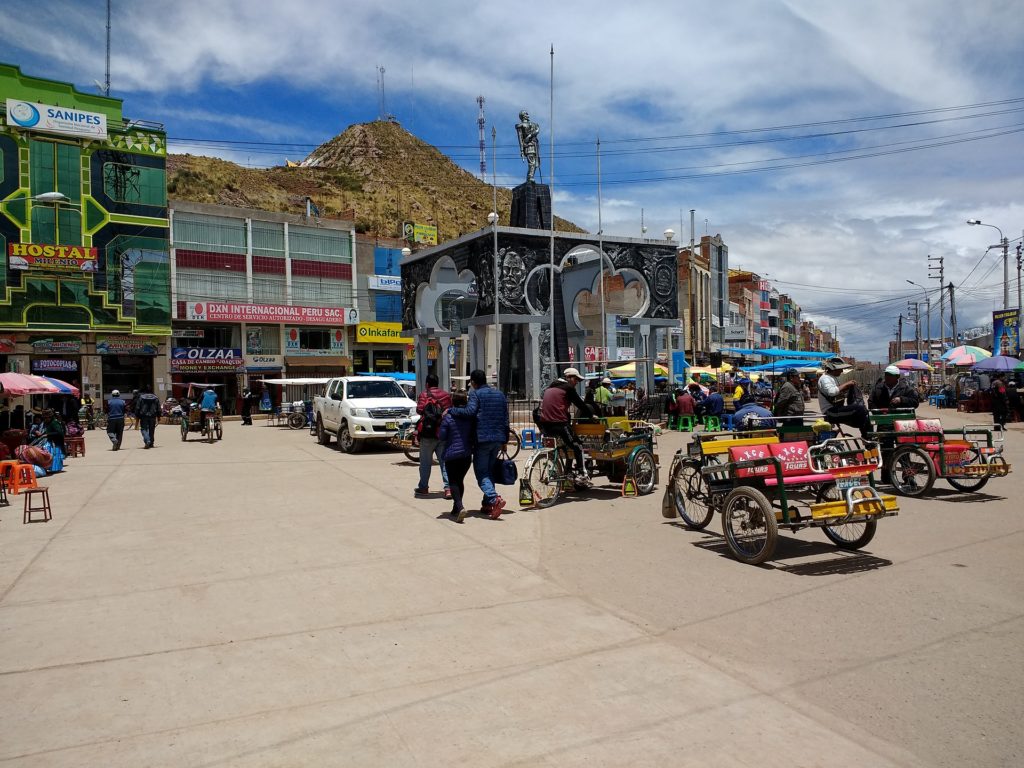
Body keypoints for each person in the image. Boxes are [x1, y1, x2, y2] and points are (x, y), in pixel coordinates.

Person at [447, 369, 509, 519]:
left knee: (481, 473)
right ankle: (487, 504)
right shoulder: (500, 394)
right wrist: (505, 440)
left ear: (473, 383)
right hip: (498, 438)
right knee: (490, 471)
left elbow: (470, 412)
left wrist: (451, 410)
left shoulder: (476, 394)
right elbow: (506, 419)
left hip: (482, 439)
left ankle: (494, 499)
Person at [539, 367, 594, 487]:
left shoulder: (550, 387)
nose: (576, 383)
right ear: (569, 378)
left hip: (545, 424)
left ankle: (565, 470)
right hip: (559, 423)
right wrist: (591, 415)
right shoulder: (568, 388)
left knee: (563, 446)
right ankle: (582, 474)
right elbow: (580, 404)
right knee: (577, 445)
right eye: (576, 379)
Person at [439, 389, 474, 523]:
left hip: (452, 455)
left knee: (453, 481)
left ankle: (459, 506)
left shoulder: (448, 417)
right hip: (466, 455)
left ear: (453, 401)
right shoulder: (469, 417)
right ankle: (455, 508)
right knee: (459, 481)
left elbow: (441, 436)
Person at [414, 374, 452, 498]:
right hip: (442, 432)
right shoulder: (446, 395)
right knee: (444, 463)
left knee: (425, 463)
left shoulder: (424, 395)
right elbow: (449, 411)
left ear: (427, 384)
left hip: (427, 433)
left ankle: (423, 487)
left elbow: (419, 410)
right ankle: (448, 488)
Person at [817, 357, 870, 434]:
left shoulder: (832, 378)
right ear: (833, 368)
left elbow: (836, 392)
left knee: (865, 416)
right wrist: (847, 384)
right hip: (830, 412)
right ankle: (867, 439)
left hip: (836, 410)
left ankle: (868, 438)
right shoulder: (825, 378)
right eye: (840, 369)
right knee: (860, 409)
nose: (841, 371)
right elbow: (832, 392)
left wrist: (847, 388)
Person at [515, 110, 541, 183]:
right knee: (532, 162)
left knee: (536, 163)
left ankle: (529, 177)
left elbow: (537, 130)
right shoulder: (520, 126)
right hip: (528, 146)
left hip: (535, 144)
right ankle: (530, 177)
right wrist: (522, 150)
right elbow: (520, 138)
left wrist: (531, 135)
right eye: (526, 113)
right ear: (523, 115)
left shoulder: (534, 124)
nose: (527, 114)